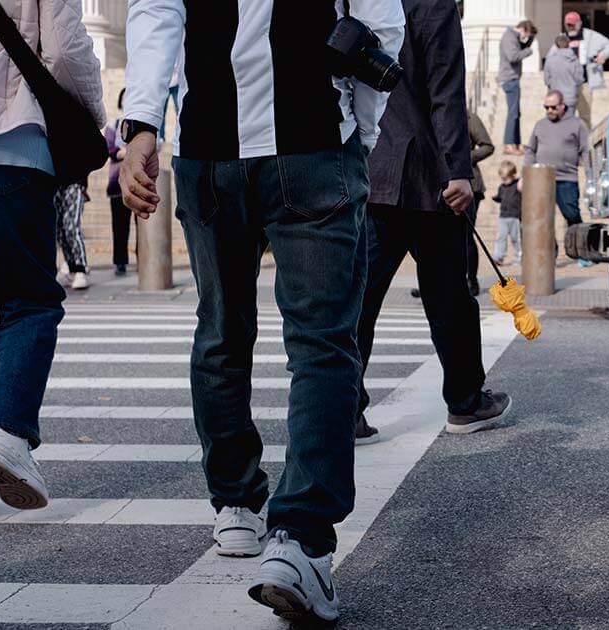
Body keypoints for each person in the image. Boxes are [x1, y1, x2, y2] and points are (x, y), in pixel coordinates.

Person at [120, 0, 404, 622]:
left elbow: (155, 10)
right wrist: (361, 128)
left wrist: (142, 120)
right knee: (323, 345)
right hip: (312, 143)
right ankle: (300, 539)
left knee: (221, 329)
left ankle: (236, 503)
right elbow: (380, 22)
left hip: (208, 146)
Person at [0, 0, 104, 523]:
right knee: (29, 301)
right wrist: (90, 116)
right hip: (13, 144)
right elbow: (68, 49)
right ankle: (6, 430)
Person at [360, 0, 513, 441]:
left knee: (359, 300)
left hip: (373, 169)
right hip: (429, 176)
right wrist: (459, 170)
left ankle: (345, 409)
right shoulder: (434, 5)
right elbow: (446, 89)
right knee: (449, 298)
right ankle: (465, 402)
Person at [525, 90, 591, 233]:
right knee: (542, 218)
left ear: (562, 105)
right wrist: (526, 174)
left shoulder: (577, 124)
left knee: (572, 215)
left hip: (566, 178)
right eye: (546, 107)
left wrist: (589, 173)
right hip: (542, 178)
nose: (550, 110)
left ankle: (579, 250)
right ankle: (549, 253)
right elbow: (530, 149)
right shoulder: (540, 125)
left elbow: (585, 150)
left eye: (553, 107)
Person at [563, 11, 609, 128]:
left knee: (585, 116)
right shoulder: (562, 38)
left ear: (579, 23)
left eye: (572, 24)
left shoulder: (591, 36)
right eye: (568, 25)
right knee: (566, 116)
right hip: (567, 84)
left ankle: (585, 142)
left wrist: (604, 54)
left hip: (584, 83)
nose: (570, 27)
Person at [466, 110, 495, 296]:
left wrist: (463, 156)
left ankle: (471, 280)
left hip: (469, 184)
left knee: (466, 235)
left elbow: (487, 146)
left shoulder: (469, 117)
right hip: (435, 183)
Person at [498, 19, 537, 155]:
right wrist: (528, 51)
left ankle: (516, 143)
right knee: (512, 113)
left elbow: (521, 47)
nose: (525, 38)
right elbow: (513, 56)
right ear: (523, 29)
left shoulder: (513, 37)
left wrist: (530, 38)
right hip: (509, 79)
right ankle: (508, 145)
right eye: (526, 35)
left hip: (512, 78)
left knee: (516, 113)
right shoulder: (509, 37)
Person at [105, 89, 131, 276]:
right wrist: (129, 152)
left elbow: (157, 143)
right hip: (117, 182)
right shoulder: (113, 124)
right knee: (119, 225)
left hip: (139, 180)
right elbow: (109, 148)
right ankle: (120, 262)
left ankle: (145, 257)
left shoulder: (141, 123)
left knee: (144, 225)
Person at [54, 181, 90, 290]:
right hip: (54, 183)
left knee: (71, 226)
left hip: (75, 182)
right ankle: (70, 267)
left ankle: (80, 269)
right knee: (59, 229)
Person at [544, 34, 585, 114]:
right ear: (568, 44)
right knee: (569, 124)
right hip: (570, 98)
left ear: (556, 45)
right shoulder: (574, 60)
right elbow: (579, 80)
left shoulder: (550, 60)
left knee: (555, 125)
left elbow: (547, 80)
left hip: (554, 99)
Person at [492, 161, 522, 265]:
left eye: (506, 178)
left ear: (513, 175)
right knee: (501, 237)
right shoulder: (502, 187)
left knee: (516, 238)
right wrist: (496, 198)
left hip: (515, 217)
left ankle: (519, 257)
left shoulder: (518, 185)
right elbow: (501, 198)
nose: (504, 181)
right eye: (502, 178)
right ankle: (498, 256)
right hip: (503, 217)